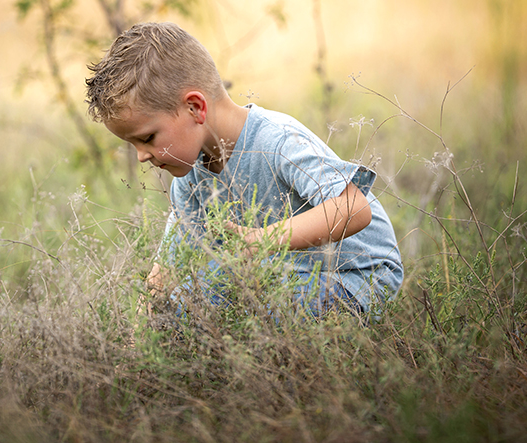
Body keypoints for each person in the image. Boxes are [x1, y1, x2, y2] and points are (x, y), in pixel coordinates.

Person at [84, 22, 403, 317]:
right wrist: (140, 336)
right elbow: (167, 270)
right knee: (186, 301)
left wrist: (262, 239)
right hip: (290, 278)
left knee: (226, 291)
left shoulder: (276, 141)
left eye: (148, 138)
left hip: (358, 278)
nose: (141, 157)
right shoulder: (191, 180)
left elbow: (355, 208)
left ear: (195, 107)